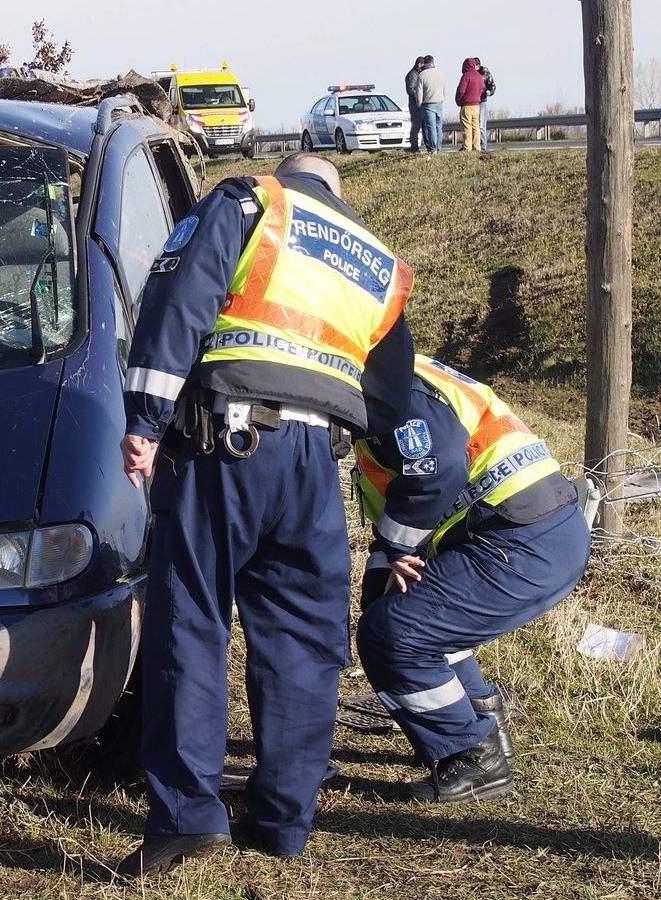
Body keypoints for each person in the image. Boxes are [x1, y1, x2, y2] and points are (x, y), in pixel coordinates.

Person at [114, 153, 416, 877]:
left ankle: (187, 816)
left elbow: (180, 301)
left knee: (191, 621)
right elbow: (395, 397)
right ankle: (284, 818)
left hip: (227, 442)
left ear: (289, 173)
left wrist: (146, 421)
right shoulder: (379, 261)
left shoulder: (253, 204)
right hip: (316, 467)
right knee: (303, 641)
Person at [352, 355, 588, 802]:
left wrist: (392, 549)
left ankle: (475, 754)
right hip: (536, 525)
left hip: (519, 537)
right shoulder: (406, 368)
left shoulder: (383, 382)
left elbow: (436, 468)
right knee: (411, 614)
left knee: (392, 633)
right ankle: (480, 718)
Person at [415, 56, 446, 153]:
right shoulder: (441, 73)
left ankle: (433, 149)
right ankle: (439, 148)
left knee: (431, 127)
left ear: (424, 63)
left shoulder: (422, 75)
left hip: (428, 104)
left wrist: (419, 104)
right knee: (439, 127)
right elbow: (444, 90)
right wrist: (442, 99)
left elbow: (419, 93)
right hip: (439, 102)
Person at [456, 58, 486, 152]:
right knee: (476, 126)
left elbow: (461, 90)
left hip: (467, 105)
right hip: (477, 105)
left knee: (467, 126)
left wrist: (459, 99)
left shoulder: (466, 76)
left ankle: (467, 147)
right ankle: (477, 147)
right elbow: (482, 89)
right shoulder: (480, 76)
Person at [405, 56, 426, 152]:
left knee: (423, 126)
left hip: (420, 104)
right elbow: (410, 90)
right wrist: (419, 98)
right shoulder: (412, 74)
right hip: (415, 105)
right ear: (419, 64)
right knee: (416, 126)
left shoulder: (419, 73)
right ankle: (414, 147)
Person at [478, 59, 497, 150]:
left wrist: (489, 92)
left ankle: (483, 147)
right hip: (473, 102)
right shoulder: (470, 73)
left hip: (482, 101)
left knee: (481, 125)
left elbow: (492, 86)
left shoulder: (485, 73)